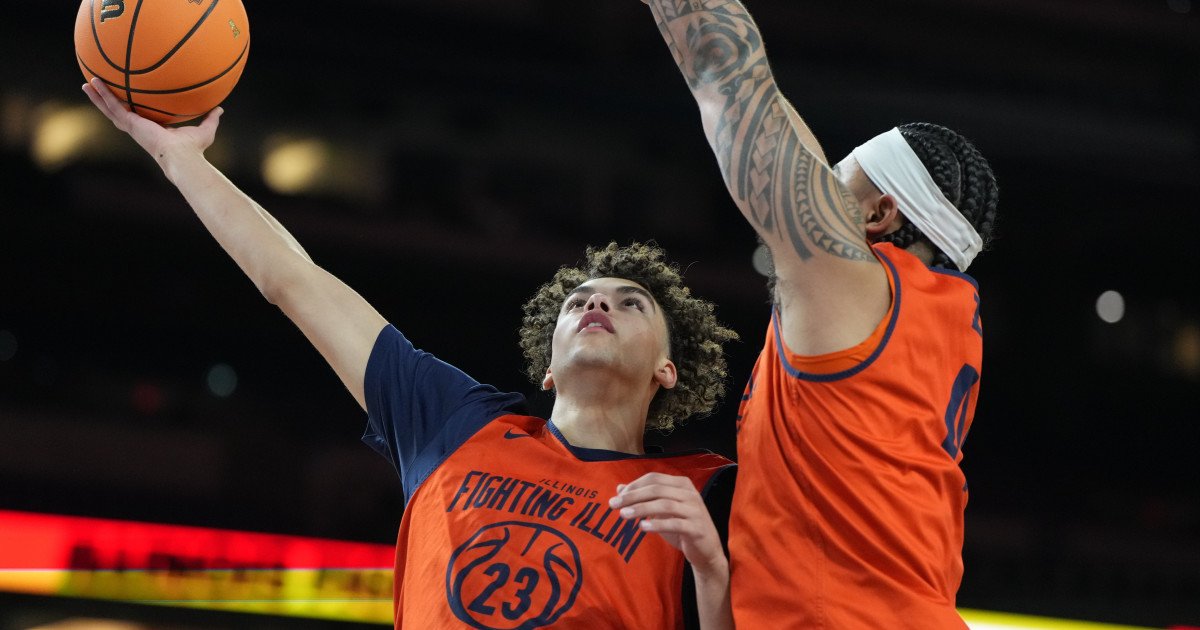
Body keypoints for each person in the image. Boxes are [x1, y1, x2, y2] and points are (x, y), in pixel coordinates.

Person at [80, 78, 740, 628]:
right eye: (579, 302)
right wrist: (181, 161)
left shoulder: (704, 492)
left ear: (668, 368)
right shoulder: (456, 422)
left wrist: (712, 571)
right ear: (547, 364)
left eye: (632, 304)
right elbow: (296, 283)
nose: (596, 306)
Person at [638, 0, 1000, 627]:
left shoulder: (853, 282)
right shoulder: (931, 313)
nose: (817, 188)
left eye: (837, 185)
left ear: (878, 217)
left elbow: (727, 75)